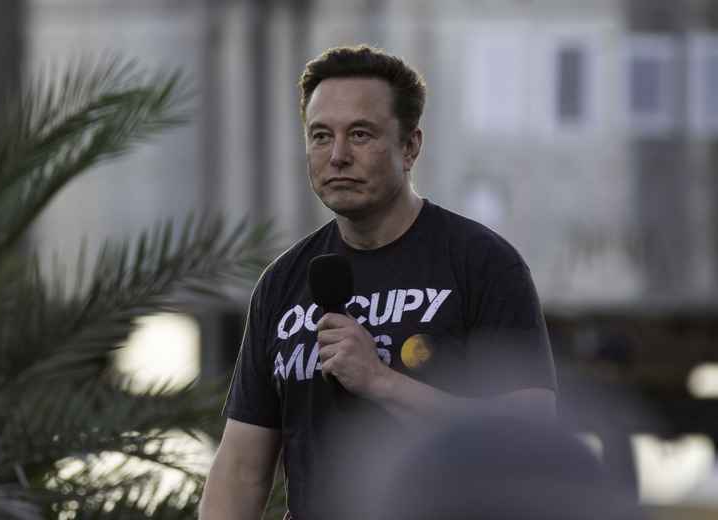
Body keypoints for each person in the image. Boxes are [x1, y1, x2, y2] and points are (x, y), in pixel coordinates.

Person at [199, 44, 558, 520]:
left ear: (410, 147)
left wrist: (380, 381)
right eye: (320, 136)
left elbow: (530, 441)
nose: (338, 156)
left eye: (361, 134)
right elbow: (242, 468)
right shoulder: (282, 282)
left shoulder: (481, 264)